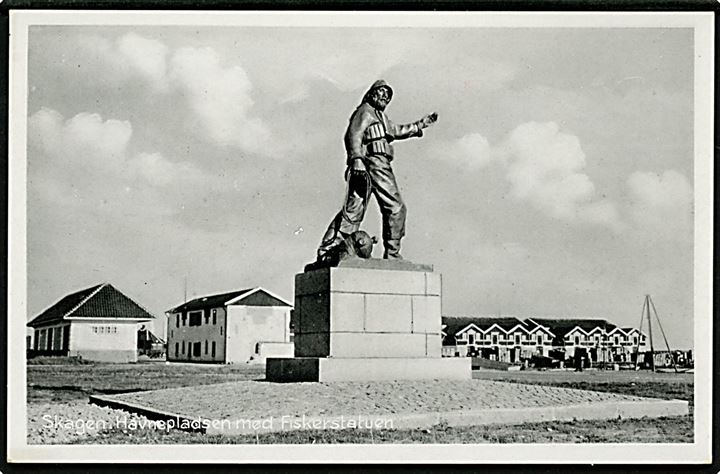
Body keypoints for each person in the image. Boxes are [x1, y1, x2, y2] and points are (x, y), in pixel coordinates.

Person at [316, 80, 437, 261]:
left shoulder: (380, 116)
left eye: (388, 94)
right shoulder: (365, 112)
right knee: (396, 207)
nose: (385, 96)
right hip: (374, 164)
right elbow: (353, 135)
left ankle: (329, 249)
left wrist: (420, 125)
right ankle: (393, 254)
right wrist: (356, 159)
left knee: (353, 210)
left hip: (373, 165)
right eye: (381, 92)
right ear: (372, 93)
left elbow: (396, 130)